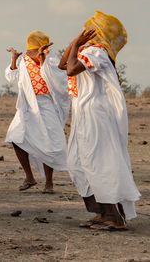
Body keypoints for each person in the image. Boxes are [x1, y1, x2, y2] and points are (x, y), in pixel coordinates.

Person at [62, 12, 141, 232]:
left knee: (99, 163)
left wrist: (78, 45)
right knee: (77, 163)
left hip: (95, 115)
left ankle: (115, 217)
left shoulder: (97, 52)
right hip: (82, 113)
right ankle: (101, 212)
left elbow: (70, 69)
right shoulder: (87, 49)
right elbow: (62, 64)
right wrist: (74, 44)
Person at [4, 31, 68, 194]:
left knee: (49, 142)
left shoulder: (50, 55)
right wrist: (13, 58)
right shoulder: (22, 58)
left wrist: (42, 55)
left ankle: (49, 182)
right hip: (26, 106)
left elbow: (57, 76)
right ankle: (29, 177)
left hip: (46, 103)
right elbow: (13, 77)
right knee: (16, 138)